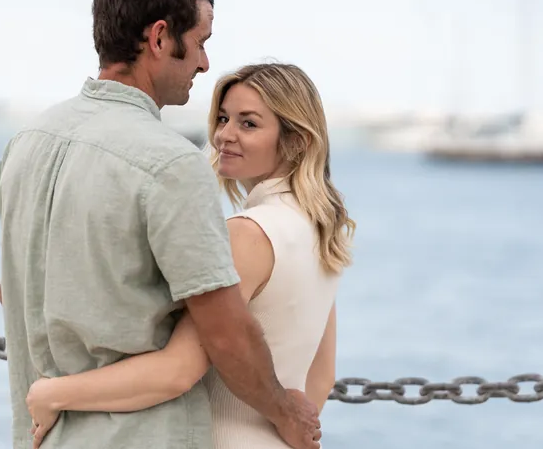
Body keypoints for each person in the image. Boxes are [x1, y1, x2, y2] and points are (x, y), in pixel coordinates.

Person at [0, 0, 322, 449]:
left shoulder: (26, 142)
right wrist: (285, 413)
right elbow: (226, 334)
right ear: (159, 38)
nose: (205, 63)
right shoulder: (170, 163)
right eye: (200, 43)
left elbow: (12, 291)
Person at [24, 62, 356, 449]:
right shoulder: (321, 233)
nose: (224, 136)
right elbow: (321, 377)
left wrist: (52, 395)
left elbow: (177, 371)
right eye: (222, 118)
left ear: (296, 140)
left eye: (248, 124)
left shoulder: (247, 235)